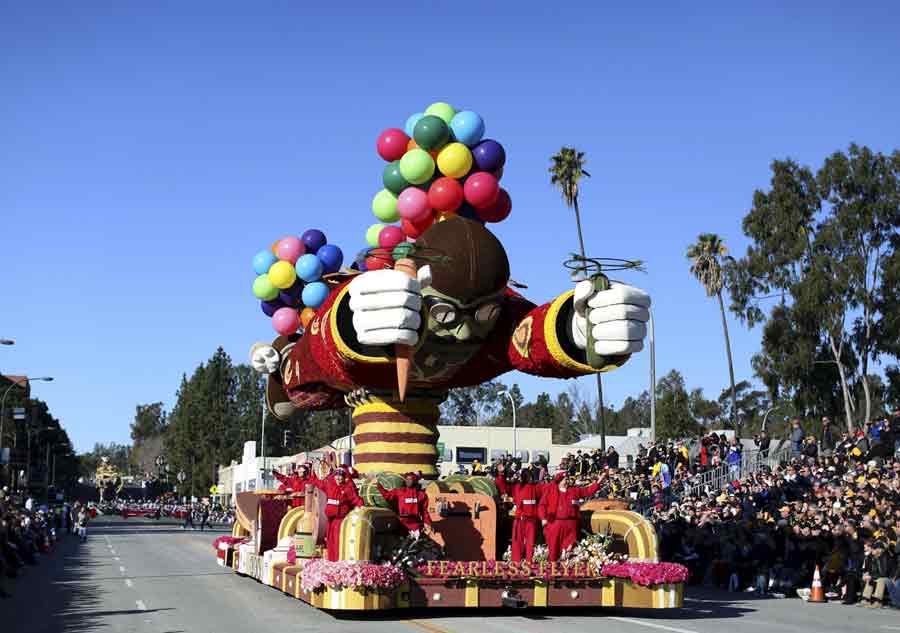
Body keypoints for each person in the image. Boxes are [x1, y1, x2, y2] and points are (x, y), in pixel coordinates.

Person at [539, 471, 603, 562]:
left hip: (572, 524)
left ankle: (568, 568)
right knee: (554, 546)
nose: (568, 481)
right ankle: (552, 567)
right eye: (566, 479)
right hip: (556, 523)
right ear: (560, 481)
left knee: (570, 547)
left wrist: (600, 480)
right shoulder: (550, 491)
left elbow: (588, 491)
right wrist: (543, 518)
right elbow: (542, 505)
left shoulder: (574, 490)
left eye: (568, 479)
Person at [311, 466, 363, 561]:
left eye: (340, 476)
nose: (338, 478)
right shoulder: (329, 486)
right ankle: (332, 561)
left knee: (338, 541)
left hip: (341, 520)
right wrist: (313, 474)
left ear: (344, 477)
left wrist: (361, 508)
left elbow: (355, 500)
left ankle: (339, 561)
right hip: (331, 520)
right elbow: (318, 483)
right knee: (330, 542)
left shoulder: (348, 488)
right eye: (336, 476)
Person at [495, 464, 544, 562]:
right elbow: (502, 485)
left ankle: (523, 563)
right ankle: (521, 563)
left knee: (525, 543)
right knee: (523, 543)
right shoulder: (523, 487)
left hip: (526, 520)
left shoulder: (528, 487)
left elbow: (502, 485)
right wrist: (501, 474)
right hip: (525, 520)